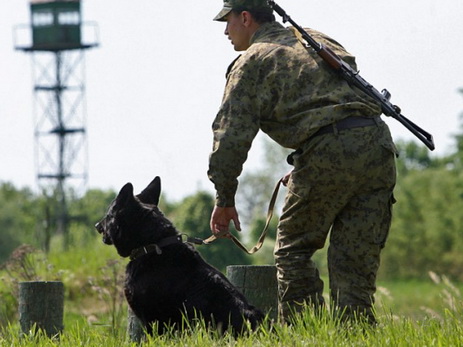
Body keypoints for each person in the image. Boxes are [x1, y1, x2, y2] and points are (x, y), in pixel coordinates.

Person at [208, 0, 397, 324]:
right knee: (354, 262)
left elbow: (230, 137)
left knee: (293, 251)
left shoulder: (251, 61)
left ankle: (305, 335)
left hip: (328, 151)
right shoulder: (315, 39)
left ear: (245, 17)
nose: (225, 30)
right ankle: (357, 337)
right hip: (377, 146)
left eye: (227, 21)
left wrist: (224, 198)